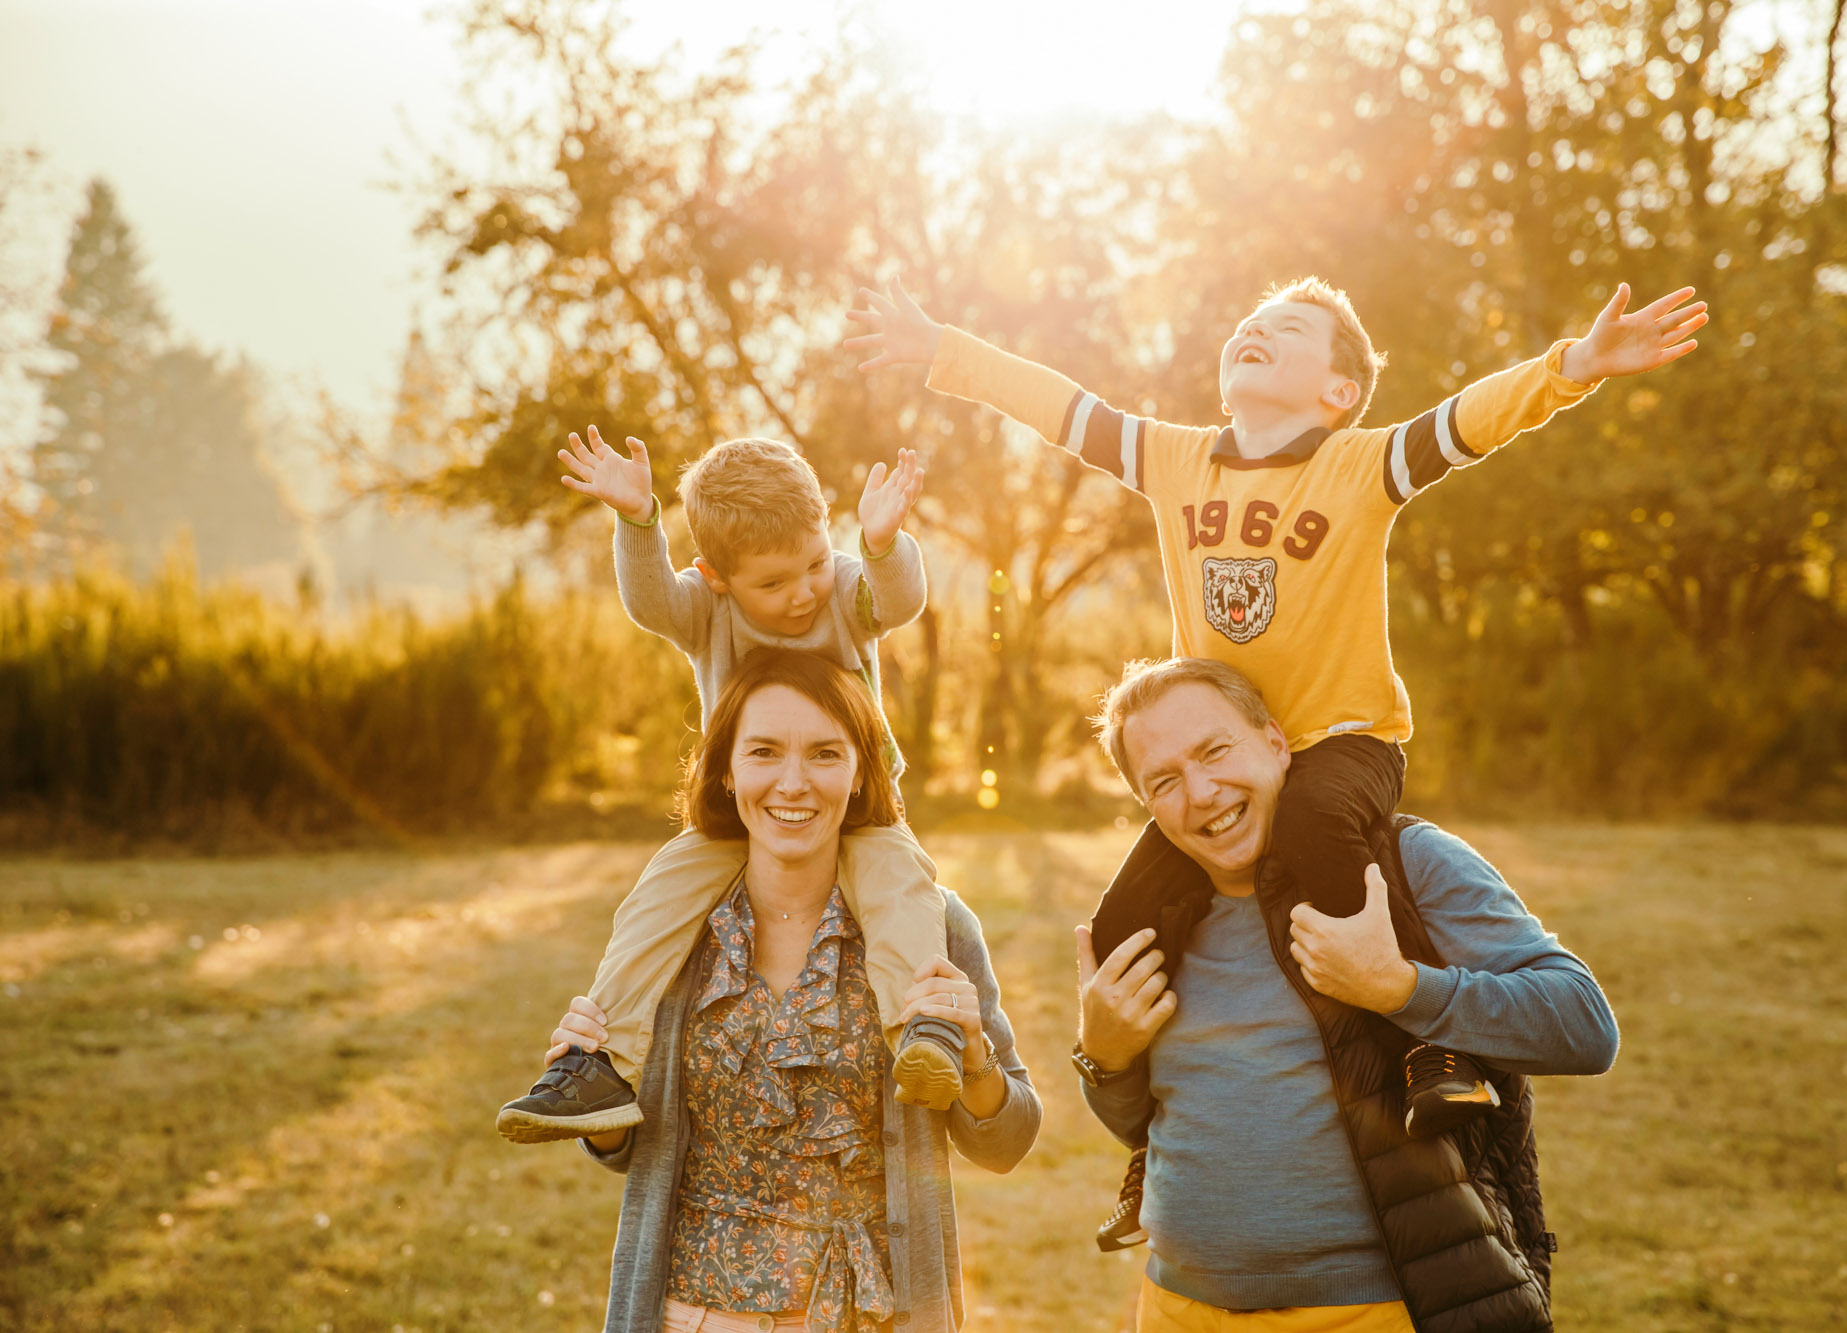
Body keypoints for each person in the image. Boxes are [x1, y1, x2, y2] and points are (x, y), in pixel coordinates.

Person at [844, 272, 1695, 1231]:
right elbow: (1059, 404)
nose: (1254, 328)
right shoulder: (1174, 461)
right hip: (1224, 754)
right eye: (1248, 322)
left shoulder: (1359, 463)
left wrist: (1574, 365)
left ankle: (1431, 1049)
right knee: (1125, 916)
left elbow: (1471, 420)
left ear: (1338, 390)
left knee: (1316, 824)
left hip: (1340, 742)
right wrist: (942, 350)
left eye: (1286, 329)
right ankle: (1151, 1149)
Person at [1072, 656, 1617, 1332]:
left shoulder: (1403, 862)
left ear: (1275, 742)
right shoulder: (1162, 925)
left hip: (1374, 1309)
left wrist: (1402, 988)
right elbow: (1148, 1121)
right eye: (1165, 781)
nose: (1203, 791)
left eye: (1215, 750)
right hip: (1179, 1308)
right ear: (1147, 806)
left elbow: (1586, 1023)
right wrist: (1103, 1056)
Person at [527, 649, 1042, 1333]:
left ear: (860, 773)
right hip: (690, 1315)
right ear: (728, 770)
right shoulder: (674, 934)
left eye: (825, 753)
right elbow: (628, 1152)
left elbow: (1008, 1141)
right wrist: (595, 1096)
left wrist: (975, 1062)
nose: (793, 783)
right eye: (765, 751)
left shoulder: (930, 925)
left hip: (870, 1314)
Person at [497, 432, 961, 1147]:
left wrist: (879, 542)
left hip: (860, 805)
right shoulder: (704, 612)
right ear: (714, 574)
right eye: (773, 583)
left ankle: (922, 1030)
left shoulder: (842, 587)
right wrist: (637, 520)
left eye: (812, 562)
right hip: (733, 814)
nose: (803, 591)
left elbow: (896, 600)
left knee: (902, 888)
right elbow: (652, 601)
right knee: (656, 899)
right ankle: (602, 1063)